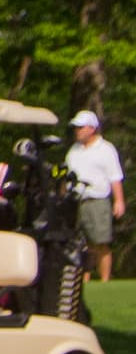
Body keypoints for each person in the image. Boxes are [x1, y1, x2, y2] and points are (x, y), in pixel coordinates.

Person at [68, 112, 121, 282]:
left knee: (100, 242)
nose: (77, 131)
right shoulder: (73, 150)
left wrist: (119, 200)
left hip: (97, 200)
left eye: (80, 127)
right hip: (76, 201)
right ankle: (84, 280)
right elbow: (67, 177)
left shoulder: (105, 149)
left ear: (91, 128)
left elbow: (115, 177)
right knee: (79, 244)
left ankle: (105, 280)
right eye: (76, 127)